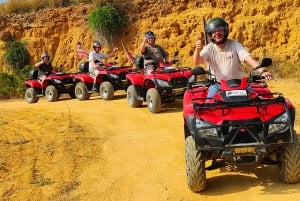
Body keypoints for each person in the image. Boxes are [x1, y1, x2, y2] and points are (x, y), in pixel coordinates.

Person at [193, 17, 272, 98]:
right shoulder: (209, 48)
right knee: (209, 105)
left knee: (257, 100)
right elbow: (197, 61)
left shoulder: (235, 44)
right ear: (210, 34)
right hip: (218, 85)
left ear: (225, 31)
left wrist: (263, 71)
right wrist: (197, 49)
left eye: (219, 30)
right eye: (214, 31)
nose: (217, 33)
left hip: (239, 84)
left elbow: (249, 59)